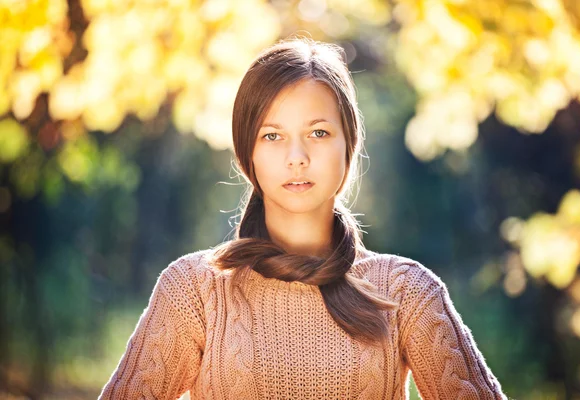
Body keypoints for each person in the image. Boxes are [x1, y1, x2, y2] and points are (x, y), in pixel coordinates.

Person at [98, 37, 508, 400]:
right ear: (247, 154)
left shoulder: (406, 293)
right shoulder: (194, 292)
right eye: (272, 136)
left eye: (318, 133)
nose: (297, 157)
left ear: (350, 145)